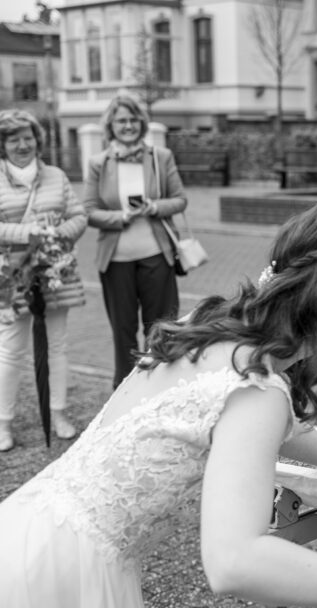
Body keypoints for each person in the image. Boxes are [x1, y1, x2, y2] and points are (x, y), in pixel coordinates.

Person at [0, 197, 317, 608]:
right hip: (61, 576)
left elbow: (261, 427)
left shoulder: (213, 326)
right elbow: (234, 562)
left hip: (29, 527)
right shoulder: (258, 389)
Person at [83, 93, 188, 388]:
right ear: (111, 125)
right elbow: (89, 211)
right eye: (121, 121)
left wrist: (154, 207)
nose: (127, 125)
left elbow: (180, 199)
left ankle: (159, 388)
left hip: (157, 254)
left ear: (140, 123)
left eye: (132, 120)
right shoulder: (98, 163)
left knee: (161, 330)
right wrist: (121, 217)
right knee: (123, 331)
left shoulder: (160, 157)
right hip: (116, 260)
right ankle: (125, 392)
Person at [0, 109, 88, 451]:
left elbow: (78, 215)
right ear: (3, 144)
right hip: (12, 274)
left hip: (55, 272)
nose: (23, 144)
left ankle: (59, 414)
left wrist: (59, 234)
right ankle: (3, 423)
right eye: (13, 138)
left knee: (57, 344)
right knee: (10, 350)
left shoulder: (56, 176)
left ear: (38, 139)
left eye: (28, 137)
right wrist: (28, 232)